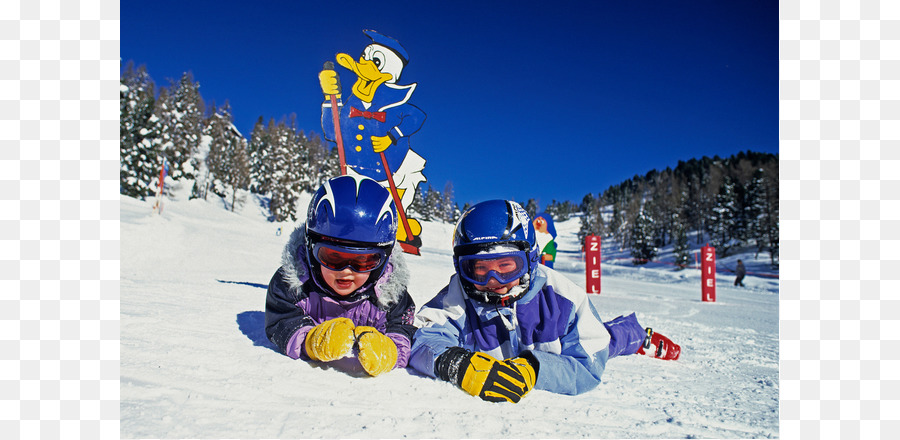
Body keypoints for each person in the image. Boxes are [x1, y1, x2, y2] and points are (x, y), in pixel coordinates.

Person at [409, 200, 680, 403]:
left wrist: (536, 369)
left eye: (506, 265)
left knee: (607, 340)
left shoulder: (563, 296)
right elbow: (423, 337)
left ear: (530, 260)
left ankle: (636, 334)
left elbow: (588, 362)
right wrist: (456, 364)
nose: (493, 280)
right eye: (478, 268)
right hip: (496, 357)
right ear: (461, 267)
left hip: (557, 354)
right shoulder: (460, 294)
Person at [265, 175, 417, 377]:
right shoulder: (293, 286)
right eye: (333, 257)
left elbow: (403, 328)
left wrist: (391, 350)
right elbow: (280, 321)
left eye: (363, 262)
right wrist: (311, 341)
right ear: (311, 249)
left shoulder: (390, 296)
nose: (346, 270)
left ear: (384, 260)